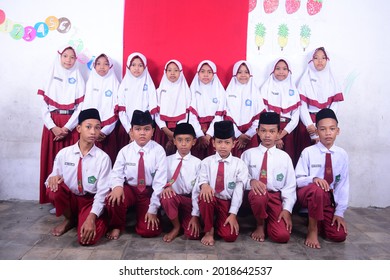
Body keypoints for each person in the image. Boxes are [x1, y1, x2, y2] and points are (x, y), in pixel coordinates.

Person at [45, 108, 112, 245]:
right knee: (53, 189)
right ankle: (70, 219)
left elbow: (102, 192)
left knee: (87, 239)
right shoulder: (64, 154)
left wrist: (91, 218)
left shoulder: (103, 158)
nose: (93, 132)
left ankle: (102, 219)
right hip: (71, 198)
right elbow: (51, 178)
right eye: (88, 127)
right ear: (79, 128)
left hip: (89, 201)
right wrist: (52, 178)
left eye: (97, 128)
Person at [105, 110, 167, 240]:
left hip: (148, 192)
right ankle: (117, 225)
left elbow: (160, 183)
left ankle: (145, 216)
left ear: (153, 131)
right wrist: (117, 186)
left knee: (149, 231)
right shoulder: (125, 151)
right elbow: (116, 173)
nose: (142, 133)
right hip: (131, 189)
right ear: (132, 131)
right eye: (138, 129)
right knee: (112, 198)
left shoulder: (159, 151)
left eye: (146, 129)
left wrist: (153, 210)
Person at [38, 45, 85, 206]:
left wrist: (67, 128)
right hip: (52, 125)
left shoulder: (78, 77)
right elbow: (43, 105)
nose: (68, 60)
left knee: (70, 163)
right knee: (51, 160)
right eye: (65, 56)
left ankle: (69, 200)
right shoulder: (50, 75)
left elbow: (81, 107)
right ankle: (53, 199)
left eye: (72, 57)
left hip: (70, 126)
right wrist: (53, 127)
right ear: (60, 57)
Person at [295, 108, 349, 249]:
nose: (328, 133)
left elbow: (342, 184)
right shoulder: (308, 152)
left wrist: (339, 212)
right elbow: (298, 179)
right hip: (308, 194)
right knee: (317, 190)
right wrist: (313, 179)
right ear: (317, 131)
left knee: (339, 236)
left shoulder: (342, 155)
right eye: (323, 129)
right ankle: (312, 230)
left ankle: (320, 220)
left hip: (327, 199)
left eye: (332, 129)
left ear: (338, 131)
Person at [241, 112, 296, 243]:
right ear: (257, 131)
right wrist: (251, 181)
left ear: (278, 133)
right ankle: (260, 225)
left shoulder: (284, 157)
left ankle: (271, 222)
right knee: (259, 195)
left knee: (282, 236)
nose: (267, 135)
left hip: (275, 198)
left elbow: (290, 186)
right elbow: (240, 177)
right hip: (254, 197)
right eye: (263, 130)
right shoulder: (248, 154)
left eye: (272, 131)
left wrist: (287, 209)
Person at [193, 120, 248, 246]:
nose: (223, 146)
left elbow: (239, 191)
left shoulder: (239, 164)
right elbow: (201, 181)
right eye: (219, 142)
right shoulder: (206, 162)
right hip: (210, 201)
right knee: (205, 195)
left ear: (233, 143)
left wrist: (233, 214)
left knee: (230, 236)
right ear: (213, 143)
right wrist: (204, 185)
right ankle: (209, 230)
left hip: (226, 203)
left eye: (227, 142)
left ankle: (217, 221)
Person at [295, 47, 344, 164]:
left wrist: (326, 122)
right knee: (306, 157)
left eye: (323, 58)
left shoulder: (332, 80)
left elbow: (335, 103)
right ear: (311, 61)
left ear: (327, 60)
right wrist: (310, 126)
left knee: (324, 158)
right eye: (316, 58)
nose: (320, 61)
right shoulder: (305, 80)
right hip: (307, 124)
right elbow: (302, 105)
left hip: (326, 124)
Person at [160, 123, 201, 242]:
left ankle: (188, 221)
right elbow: (160, 180)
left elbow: (197, 191)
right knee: (166, 197)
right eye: (180, 140)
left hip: (190, 200)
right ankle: (176, 227)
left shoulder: (198, 163)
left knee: (192, 235)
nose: (183, 144)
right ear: (174, 141)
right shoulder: (166, 161)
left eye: (187, 140)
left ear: (193, 142)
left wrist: (195, 215)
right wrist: (165, 187)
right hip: (174, 198)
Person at [260, 58, 301, 165]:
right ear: (272, 70)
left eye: (284, 69)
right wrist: (275, 135)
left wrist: (281, 134)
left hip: (288, 131)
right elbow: (264, 113)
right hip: (270, 130)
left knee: (288, 160)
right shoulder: (266, 88)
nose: (281, 72)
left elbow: (296, 116)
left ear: (289, 71)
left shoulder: (294, 90)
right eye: (277, 69)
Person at [82, 53, 120, 164]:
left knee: (107, 162)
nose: (102, 67)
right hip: (90, 131)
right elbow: (85, 107)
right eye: (98, 64)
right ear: (94, 66)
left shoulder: (115, 84)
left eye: (105, 64)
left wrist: (104, 131)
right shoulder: (90, 83)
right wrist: (91, 129)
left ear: (111, 66)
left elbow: (117, 110)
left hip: (107, 132)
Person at [224, 60, 266, 158]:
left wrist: (248, 135)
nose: (243, 75)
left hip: (251, 136)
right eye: (239, 72)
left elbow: (259, 116)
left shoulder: (255, 93)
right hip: (233, 135)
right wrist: (238, 135)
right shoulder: (228, 92)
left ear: (250, 74)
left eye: (246, 72)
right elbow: (226, 114)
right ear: (235, 74)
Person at [117, 52, 158, 151]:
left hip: (145, 129)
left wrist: (143, 127)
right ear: (128, 66)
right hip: (127, 128)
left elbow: (152, 109)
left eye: (140, 65)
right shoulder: (124, 85)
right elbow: (121, 110)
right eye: (133, 65)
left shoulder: (149, 84)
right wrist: (130, 131)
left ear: (145, 67)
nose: (136, 68)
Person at [154, 59, 194, 155]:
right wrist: (167, 131)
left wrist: (176, 133)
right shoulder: (158, 91)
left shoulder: (186, 91)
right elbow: (156, 114)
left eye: (176, 70)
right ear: (165, 72)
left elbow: (187, 114)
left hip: (180, 132)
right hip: (162, 131)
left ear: (180, 72)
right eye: (169, 70)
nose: (172, 73)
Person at [188, 60, 226, 159]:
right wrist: (200, 135)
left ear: (214, 74)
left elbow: (219, 115)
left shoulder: (219, 91)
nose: (206, 75)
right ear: (198, 73)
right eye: (202, 71)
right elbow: (191, 116)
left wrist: (208, 135)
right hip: (196, 131)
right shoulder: (192, 90)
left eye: (209, 72)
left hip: (214, 131)